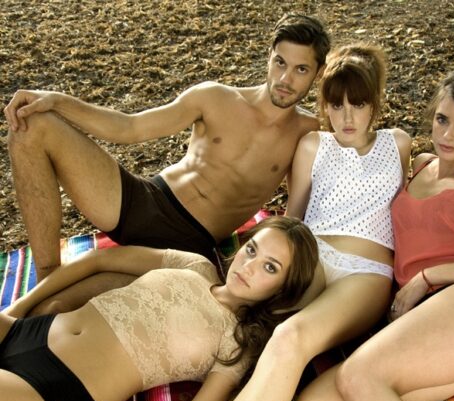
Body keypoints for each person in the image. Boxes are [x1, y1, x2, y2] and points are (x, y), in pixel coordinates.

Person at [185, 43, 412, 401]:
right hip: (312, 257)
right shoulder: (313, 145)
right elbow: (294, 220)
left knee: (291, 338)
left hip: (366, 272)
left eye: (357, 104)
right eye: (335, 105)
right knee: (257, 350)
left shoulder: (397, 144)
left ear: (374, 104)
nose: (346, 117)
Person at [3, 13, 330, 283]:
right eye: (280, 62)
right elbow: (130, 127)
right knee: (33, 123)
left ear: (318, 74)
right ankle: (46, 271)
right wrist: (57, 101)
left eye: (300, 69)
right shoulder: (215, 97)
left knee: (63, 307)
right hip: (141, 203)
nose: (285, 79)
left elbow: (300, 210)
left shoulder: (309, 133)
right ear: (269, 56)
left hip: (189, 247)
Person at [290, 70, 454, 401]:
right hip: (424, 322)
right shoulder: (420, 166)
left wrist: (429, 276)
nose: (448, 134)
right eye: (442, 119)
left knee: (359, 376)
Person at [0, 215, 318, 401]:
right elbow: (99, 259)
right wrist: (18, 309)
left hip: (51, 393)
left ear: (283, 290)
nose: (248, 266)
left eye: (270, 267)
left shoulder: (237, 343)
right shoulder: (196, 265)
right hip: (26, 331)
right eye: (251, 249)